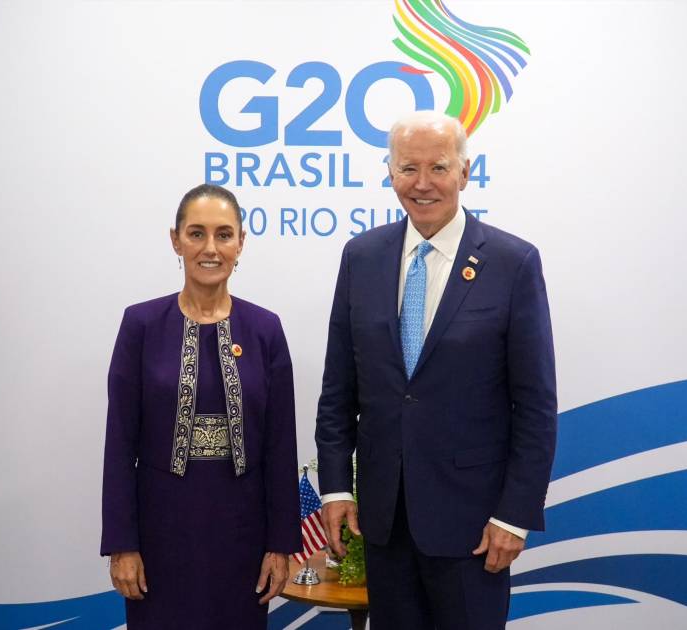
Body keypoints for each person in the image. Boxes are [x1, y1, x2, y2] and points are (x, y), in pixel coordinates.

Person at [315, 111, 557, 629]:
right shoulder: (361, 257)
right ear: (390, 173)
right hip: (384, 523)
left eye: (438, 168)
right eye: (408, 168)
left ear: (465, 172)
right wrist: (335, 489)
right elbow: (338, 390)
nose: (422, 183)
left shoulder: (513, 263)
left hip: (474, 527)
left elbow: (535, 406)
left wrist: (515, 515)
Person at [100, 184, 301, 629]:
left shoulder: (265, 329)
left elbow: (280, 447)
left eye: (224, 234)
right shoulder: (141, 325)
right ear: (176, 240)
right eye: (196, 234)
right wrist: (122, 544)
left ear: (240, 243)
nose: (211, 248)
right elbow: (119, 444)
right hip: (160, 536)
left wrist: (280, 544)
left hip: (243, 537)